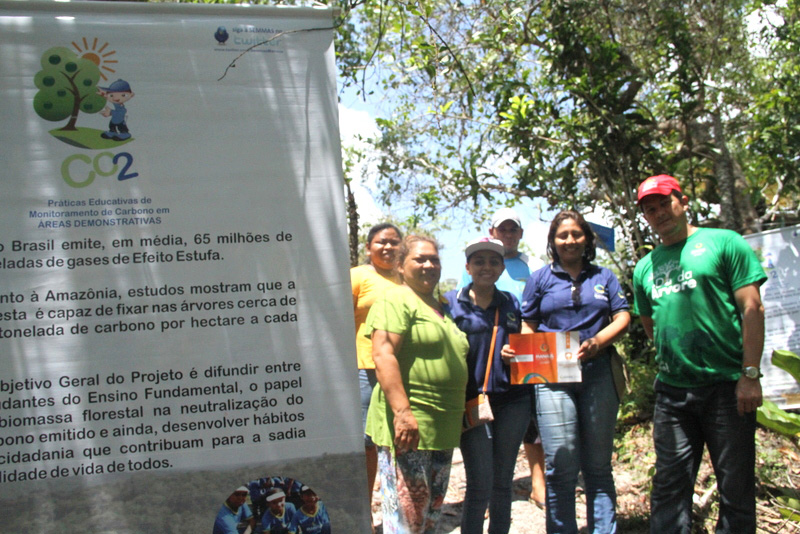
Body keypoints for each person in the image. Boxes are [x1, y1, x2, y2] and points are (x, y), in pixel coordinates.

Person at [632, 174, 766, 534]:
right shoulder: (645, 267)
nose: (659, 213)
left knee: (735, 487)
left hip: (728, 388)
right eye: (650, 209)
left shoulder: (724, 242)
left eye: (665, 203)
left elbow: (752, 308)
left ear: (683, 201)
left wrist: (750, 375)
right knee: (669, 486)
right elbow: (651, 325)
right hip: (672, 393)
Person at [514, 210, 630, 533]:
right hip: (552, 376)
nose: (569, 240)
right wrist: (522, 351)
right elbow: (528, 324)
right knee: (561, 462)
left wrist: (598, 341)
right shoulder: (540, 279)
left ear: (587, 239)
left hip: (598, 371)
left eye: (576, 234)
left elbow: (622, 317)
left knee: (598, 464)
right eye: (562, 235)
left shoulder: (604, 277)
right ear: (553, 241)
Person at [365, 235, 469, 534]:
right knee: (406, 520)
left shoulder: (442, 308)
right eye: (419, 259)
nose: (429, 265)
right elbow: (383, 354)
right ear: (400, 265)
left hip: (442, 426)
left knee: (429, 516)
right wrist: (402, 412)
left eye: (434, 259)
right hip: (410, 426)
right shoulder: (395, 299)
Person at [459, 207, 547, 508]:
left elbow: (538, 309)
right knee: (481, 439)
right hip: (484, 357)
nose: (508, 234)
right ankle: (481, 495)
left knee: (531, 420)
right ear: (492, 232)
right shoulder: (475, 264)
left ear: (520, 234)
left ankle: (538, 483)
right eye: (502, 229)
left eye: (513, 229)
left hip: (524, 351)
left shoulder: (533, 264)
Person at [445, 237, 529, 534]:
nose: (486, 267)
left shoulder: (511, 302)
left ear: (502, 268)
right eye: (479, 261)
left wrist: (514, 353)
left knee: (502, 481)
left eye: (494, 261)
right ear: (467, 267)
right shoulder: (449, 303)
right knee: (480, 482)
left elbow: (525, 342)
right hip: (471, 402)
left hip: (513, 400)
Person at [351, 223, 403, 506]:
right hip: (366, 368)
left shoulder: (407, 278)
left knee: (399, 438)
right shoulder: (358, 276)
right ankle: (365, 509)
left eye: (394, 242)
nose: (388, 247)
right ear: (369, 246)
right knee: (367, 442)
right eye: (382, 242)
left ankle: (398, 509)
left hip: (403, 370)